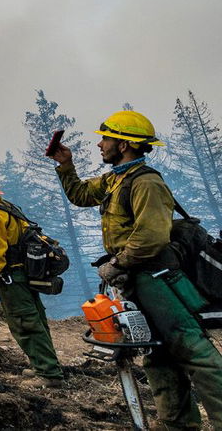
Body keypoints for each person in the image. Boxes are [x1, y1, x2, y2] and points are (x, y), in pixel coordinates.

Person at [53, 110, 222, 427]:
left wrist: (116, 263)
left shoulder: (146, 183)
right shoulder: (116, 180)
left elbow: (151, 238)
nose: (100, 145)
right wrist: (65, 165)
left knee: (194, 352)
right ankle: (178, 425)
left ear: (124, 144)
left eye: (106, 139)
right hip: (139, 280)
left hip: (159, 279)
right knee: (159, 356)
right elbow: (80, 195)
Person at [0, 168, 63, 386]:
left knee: (24, 322)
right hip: (24, 273)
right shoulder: (4, 207)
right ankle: (44, 366)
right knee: (35, 318)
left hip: (12, 275)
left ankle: (48, 375)